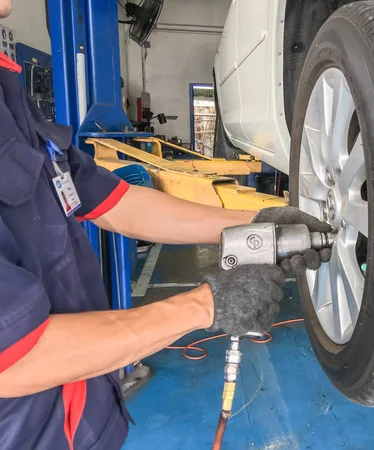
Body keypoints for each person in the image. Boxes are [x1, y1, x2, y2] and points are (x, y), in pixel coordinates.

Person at [0, 1, 331, 448]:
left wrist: (255, 222)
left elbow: (117, 203)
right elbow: (16, 358)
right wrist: (207, 304)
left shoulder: (9, 97)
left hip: (81, 421)